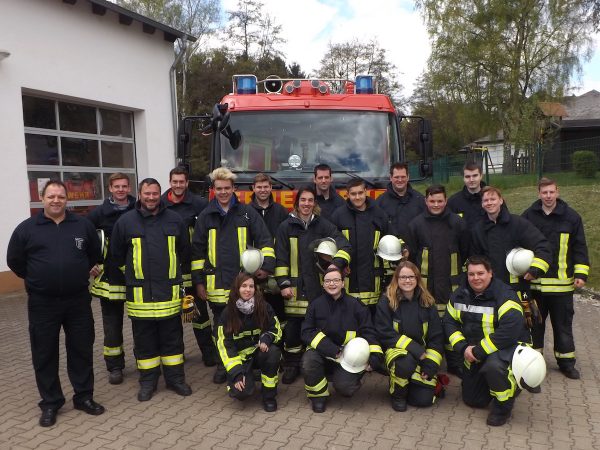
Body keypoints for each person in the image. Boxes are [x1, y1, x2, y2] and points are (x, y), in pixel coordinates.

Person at [7, 179, 105, 427]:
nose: (56, 200)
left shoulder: (82, 226)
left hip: (78, 301)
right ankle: (51, 403)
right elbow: (15, 261)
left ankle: (83, 397)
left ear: (66, 199)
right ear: (42, 198)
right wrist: (39, 278)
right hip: (43, 303)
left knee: (81, 350)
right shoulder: (27, 228)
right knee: (44, 353)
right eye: (51, 196)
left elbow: (94, 253)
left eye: (60, 196)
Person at [111, 178, 192, 402]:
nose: (151, 198)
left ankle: (175, 379)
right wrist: (134, 276)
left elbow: (184, 252)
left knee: (173, 341)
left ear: (160, 194)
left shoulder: (175, 220)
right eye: (147, 193)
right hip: (141, 298)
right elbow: (116, 256)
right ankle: (148, 382)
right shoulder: (126, 222)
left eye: (155, 193)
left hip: (169, 295)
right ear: (139, 194)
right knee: (144, 343)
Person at [192, 167, 275, 384]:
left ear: (233, 189)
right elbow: (197, 252)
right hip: (216, 285)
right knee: (221, 328)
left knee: (245, 326)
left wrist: (265, 266)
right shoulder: (205, 216)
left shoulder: (247, 213)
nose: (223, 192)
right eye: (219, 189)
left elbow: (265, 241)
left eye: (227, 188)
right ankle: (223, 365)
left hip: (243, 285)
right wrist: (199, 282)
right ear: (213, 190)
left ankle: (247, 364)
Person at [274, 186, 351, 384]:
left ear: (314, 204)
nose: (306, 204)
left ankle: (318, 363)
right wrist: (283, 284)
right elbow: (280, 257)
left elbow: (344, 244)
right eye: (303, 200)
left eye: (310, 200)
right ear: (297, 203)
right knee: (292, 329)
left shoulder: (324, 226)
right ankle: (292, 364)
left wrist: (337, 264)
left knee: (318, 327)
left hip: (318, 288)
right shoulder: (285, 227)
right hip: (294, 288)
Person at [443, 256, 530, 426]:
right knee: (473, 400)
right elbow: (449, 322)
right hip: (474, 352)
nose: (476, 278)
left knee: (494, 367)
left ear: (490, 273)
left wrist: (477, 351)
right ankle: (492, 384)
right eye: (471, 274)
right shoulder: (460, 294)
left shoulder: (504, 295)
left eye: (481, 273)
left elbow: (509, 331)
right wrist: (463, 348)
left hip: (504, 350)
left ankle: (504, 404)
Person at [522, 178, 590, 379]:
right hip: (534, 285)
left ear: (557, 192)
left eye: (551, 192)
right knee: (534, 324)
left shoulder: (571, 217)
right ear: (539, 194)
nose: (548, 196)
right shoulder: (528, 216)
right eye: (544, 193)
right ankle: (534, 361)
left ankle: (566, 362)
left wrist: (581, 274)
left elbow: (579, 247)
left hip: (562, 288)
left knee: (563, 326)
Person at [301, 267, 383, 413]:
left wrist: (375, 358)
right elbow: (306, 332)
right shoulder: (315, 305)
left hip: (348, 358)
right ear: (323, 284)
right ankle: (318, 397)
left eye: (336, 280)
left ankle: (345, 379)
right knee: (309, 361)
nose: (332, 284)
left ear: (343, 283)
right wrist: (333, 350)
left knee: (346, 389)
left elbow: (369, 331)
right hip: (322, 352)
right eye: (328, 281)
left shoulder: (356, 305)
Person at [407, 184, 469, 376]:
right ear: (426, 201)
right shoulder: (416, 225)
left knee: (452, 323)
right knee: (426, 324)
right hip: (425, 286)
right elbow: (412, 256)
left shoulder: (457, 223)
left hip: (451, 285)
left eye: (439, 201)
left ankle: (454, 362)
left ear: (446, 201)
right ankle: (426, 361)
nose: (436, 204)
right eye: (432, 201)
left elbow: (465, 251)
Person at [161, 166, 215, 367]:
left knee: (198, 315)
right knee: (174, 315)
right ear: (170, 182)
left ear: (187, 183)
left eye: (181, 182)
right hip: (170, 269)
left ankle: (208, 354)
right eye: (174, 181)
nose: (177, 185)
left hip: (192, 268)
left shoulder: (200, 204)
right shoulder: (160, 204)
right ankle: (177, 353)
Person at [374, 261, 444, 411]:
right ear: (396, 279)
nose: (407, 281)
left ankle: (414, 382)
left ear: (418, 278)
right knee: (405, 364)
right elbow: (384, 332)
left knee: (423, 400)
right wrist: (414, 348)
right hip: (397, 352)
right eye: (403, 277)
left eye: (411, 277)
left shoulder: (428, 302)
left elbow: (436, 336)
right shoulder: (387, 301)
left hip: (422, 356)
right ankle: (397, 394)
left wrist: (431, 363)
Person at [88, 172, 136, 386]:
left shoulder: (140, 208)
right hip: (110, 278)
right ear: (110, 188)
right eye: (116, 186)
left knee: (141, 324)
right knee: (112, 325)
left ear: (129, 188)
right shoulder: (98, 214)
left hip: (138, 276)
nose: (120, 190)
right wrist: (90, 263)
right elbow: (85, 239)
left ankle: (146, 361)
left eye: (124, 186)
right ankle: (115, 366)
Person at [215, 273, 283, 412]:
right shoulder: (228, 313)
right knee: (241, 393)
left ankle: (269, 396)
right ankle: (242, 376)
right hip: (240, 359)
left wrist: (266, 338)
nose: (248, 290)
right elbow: (225, 346)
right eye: (244, 286)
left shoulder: (264, 306)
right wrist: (237, 374)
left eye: (251, 286)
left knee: (273, 352)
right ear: (237, 289)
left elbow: (276, 329)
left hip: (259, 353)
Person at [471, 186, 551, 294]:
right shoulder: (478, 230)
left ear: (501, 200)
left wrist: (535, 270)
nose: (489, 203)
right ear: (482, 204)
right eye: (485, 200)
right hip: (490, 290)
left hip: (518, 289)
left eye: (493, 199)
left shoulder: (518, 224)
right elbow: (475, 259)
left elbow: (543, 246)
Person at [330, 178, 389, 313]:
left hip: (373, 280)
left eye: (360, 193)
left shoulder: (379, 214)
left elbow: (389, 238)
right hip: (348, 277)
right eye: (353, 194)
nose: (357, 197)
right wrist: (340, 265)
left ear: (366, 192)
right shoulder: (338, 215)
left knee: (372, 320)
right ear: (347, 195)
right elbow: (332, 244)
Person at [249, 173, 289, 321]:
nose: (263, 190)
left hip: (276, 268)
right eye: (259, 187)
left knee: (278, 311)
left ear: (271, 188)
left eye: (266, 187)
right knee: (256, 311)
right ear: (253, 188)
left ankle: (279, 342)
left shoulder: (281, 211)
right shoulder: (246, 212)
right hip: (253, 270)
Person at [376, 162, 425, 242]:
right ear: (391, 178)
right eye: (396, 177)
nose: (400, 180)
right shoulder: (380, 202)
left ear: (408, 177)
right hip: (389, 251)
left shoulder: (420, 200)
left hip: (414, 250)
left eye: (403, 177)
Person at [447, 162, 486, 227]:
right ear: (463, 178)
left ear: (481, 176)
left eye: (475, 175)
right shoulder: (453, 201)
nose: (471, 180)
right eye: (467, 176)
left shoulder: (492, 198)